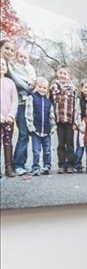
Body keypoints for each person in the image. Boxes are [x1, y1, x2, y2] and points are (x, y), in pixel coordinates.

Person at [8, 46, 36, 175]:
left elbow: (33, 81)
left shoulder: (30, 69)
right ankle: (18, 164)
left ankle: (21, 164)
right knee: (24, 134)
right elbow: (19, 82)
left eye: (25, 57)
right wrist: (29, 86)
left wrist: (31, 86)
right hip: (19, 103)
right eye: (20, 56)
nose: (23, 59)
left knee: (26, 134)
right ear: (16, 57)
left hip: (28, 104)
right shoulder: (13, 68)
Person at [49, 66, 77, 174]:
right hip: (59, 120)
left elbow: (75, 106)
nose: (62, 75)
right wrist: (52, 120)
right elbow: (50, 105)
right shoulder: (53, 88)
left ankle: (70, 164)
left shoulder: (73, 89)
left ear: (68, 76)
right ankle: (61, 164)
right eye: (60, 73)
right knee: (61, 144)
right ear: (57, 74)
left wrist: (75, 122)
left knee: (70, 143)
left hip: (69, 120)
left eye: (65, 74)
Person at [25, 76, 54, 175]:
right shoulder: (31, 98)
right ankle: (36, 167)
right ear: (36, 86)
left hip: (46, 130)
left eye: (45, 88)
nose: (42, 89)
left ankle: (47, 166)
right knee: (36, 150)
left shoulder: (48, 101)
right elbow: (28, 113)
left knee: (47, 150)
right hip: (36, 129)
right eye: (40, 87)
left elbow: (51, 115)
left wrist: (53, 126)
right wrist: (30, 126)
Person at [0, 56, 16, 177]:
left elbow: (14, 100)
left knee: (7, 142)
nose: (1, 66)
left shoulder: (10, 83)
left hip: (8, 120)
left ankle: (8, 167)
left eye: (3, 64)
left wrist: (10, 115)